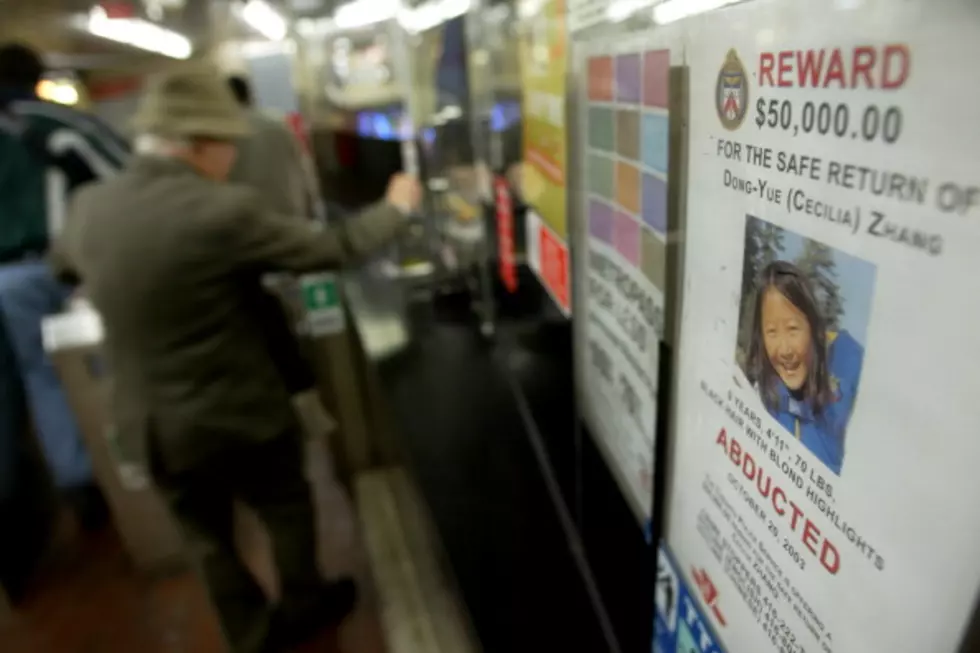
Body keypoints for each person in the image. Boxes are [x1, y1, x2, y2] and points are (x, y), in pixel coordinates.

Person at [51, 64, 421, 653]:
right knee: (285, 505)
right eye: (228, 145)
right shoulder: (220, 211)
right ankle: (304, 603)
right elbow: (331, 248)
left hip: (146, 421)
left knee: (206, 539)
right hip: (235, 412)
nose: (232, 158)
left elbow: (65, 268)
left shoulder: (90, 205)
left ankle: (249, 635)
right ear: (200, 145)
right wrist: (397, 207)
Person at [0, 42, 126, 531]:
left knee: (26, 383)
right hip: (50, 269)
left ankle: (35, 505)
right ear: (37, 76)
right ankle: (101, 478)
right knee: (77, 371)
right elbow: (123, 172)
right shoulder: (49, 121)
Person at [747, 261, 863, 475]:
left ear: (814, 327)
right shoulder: (761, 394)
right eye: (771, 332)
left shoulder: (851, 368)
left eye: (793, 329)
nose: (784, 350)